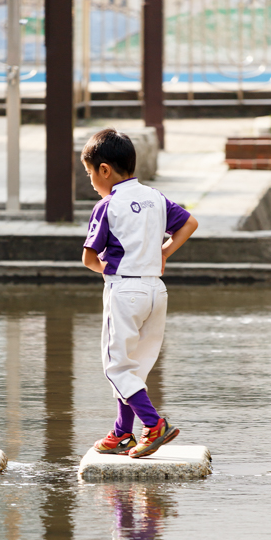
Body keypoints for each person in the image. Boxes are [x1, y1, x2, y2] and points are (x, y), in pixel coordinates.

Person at [81, 128, 198, 459]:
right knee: (137, 366)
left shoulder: (108, 205)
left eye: (90, 174)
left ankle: (153, 424)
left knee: (116, 366)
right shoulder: (155, 197)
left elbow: (89, 258)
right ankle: (121, 433)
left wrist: (112, 269)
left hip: (125, 290)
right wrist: (163, 252)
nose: (91, 182)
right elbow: (189, 224)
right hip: (156, 290)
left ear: (104, 170)